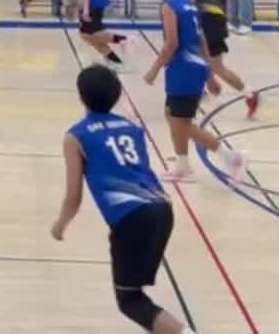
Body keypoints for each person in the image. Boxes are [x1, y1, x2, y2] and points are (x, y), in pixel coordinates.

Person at [51, 65, 193, 334]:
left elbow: (74, 197)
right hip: (162, 209)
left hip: (132, 218)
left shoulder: (76, 136)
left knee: (130, 300)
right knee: (134, 295)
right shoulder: (132, 128)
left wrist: (59, 226)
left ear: (81, 96)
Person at [144, 0, 246, 183]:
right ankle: (183, 164)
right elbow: (202, 41)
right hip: (194, 67)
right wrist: (208, 74)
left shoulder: (169, 5)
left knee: (181, 122)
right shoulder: (190, 5)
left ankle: (231, 157)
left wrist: (153, 70)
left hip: (183, 68)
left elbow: (171, 43)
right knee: (172, 114)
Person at [178, 0, 259, 118]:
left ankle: (245, 93)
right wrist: (222, 9)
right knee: (206, 62)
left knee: (206, 63)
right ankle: (211, 89)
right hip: (216, 17)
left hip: (206, 19)